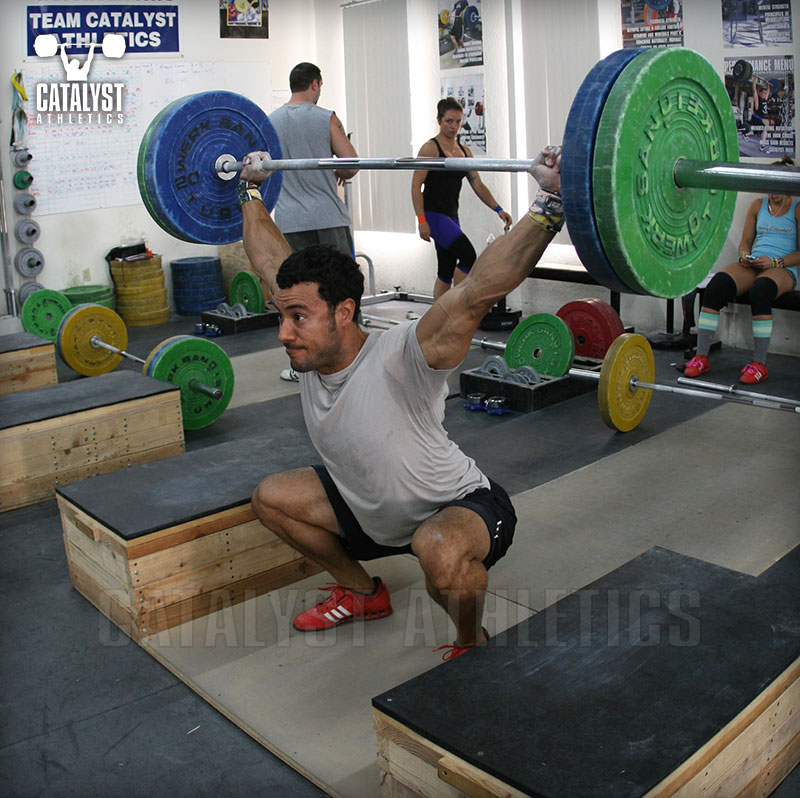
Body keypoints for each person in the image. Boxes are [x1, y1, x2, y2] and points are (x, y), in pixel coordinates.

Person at [236, 145, 565, 659]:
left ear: (344, 313)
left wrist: (550, 202)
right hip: (370, 514)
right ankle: (363, 592)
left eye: (297, 318)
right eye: (284, 316)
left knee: (438, 554)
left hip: (456, 508)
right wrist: (250, 187)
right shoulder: (311, 340)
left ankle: (469, 642)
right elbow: (267, 259)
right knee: (271, 499)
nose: (283, 333)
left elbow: (477, 290)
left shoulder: (402, 354)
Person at [269, 62, 359, 381]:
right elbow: (351, 165)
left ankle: (305, 368)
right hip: (327, 215)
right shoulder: (325, 117)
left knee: (300, 297)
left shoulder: (271, 121)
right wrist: (333, 169)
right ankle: (349, 364)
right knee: (341, 289)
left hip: (290, 219)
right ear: (316, 85)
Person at [684, 156, 798, 384]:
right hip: (755, 264)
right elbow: (745, 242)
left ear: (786, 186)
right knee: (717, 286)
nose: (771, 193)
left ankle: (759, 364)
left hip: (783, 268)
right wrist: (744, 255)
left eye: (776, 188)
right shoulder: (757, 206)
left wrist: (775, 263)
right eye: (768, 187)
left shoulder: (797, 208)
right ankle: (701, 357)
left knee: (760, 290)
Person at [411, 97, 512, 300]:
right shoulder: (430, 149)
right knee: (468, 256)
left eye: (458, 121)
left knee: (446, 269)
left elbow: (478, 184)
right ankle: (457, 307)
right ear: (439, 120)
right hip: (434, 215)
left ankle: (437, 319)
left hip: (451, 216)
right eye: (449, 121)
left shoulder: (465, 152)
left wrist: (498, 209)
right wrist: (421, 221)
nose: (454, 126)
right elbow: (415, 187)